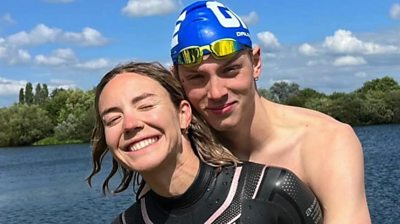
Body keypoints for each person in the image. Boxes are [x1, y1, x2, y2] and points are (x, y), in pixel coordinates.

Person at [170, 1, 371, 223]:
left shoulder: (325, 142)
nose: (216, 92)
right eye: (197, 77)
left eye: (230, 70)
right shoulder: (182, 150)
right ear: (178, 79)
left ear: (255, 63)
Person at [87, 61, 323, 224]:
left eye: (146, 106)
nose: (130, 124)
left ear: (183, 114)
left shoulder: (272, 191)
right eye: (113, 119)